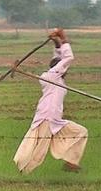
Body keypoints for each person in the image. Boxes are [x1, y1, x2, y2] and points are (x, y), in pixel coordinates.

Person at [13, 28, 88, 174]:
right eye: (64, 68)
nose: (67, 69)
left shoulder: (55, 77)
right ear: (58, 68)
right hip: (47, 118)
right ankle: (24, 172)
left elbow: (58, 59)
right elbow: (67, 59)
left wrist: (56, 43)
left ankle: (71, 161)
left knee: (80, 132)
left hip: (54, 119)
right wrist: (64, 39)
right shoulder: (52, 76)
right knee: (38, 150)